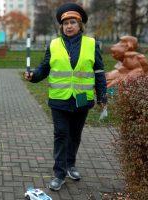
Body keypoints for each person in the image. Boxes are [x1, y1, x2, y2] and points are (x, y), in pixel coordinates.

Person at [24, 3, 107, 191]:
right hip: (59, 99)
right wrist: (33, 76)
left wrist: (102, 95)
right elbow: (45, 68)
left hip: (82, 99)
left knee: (75, 136)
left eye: (72, 22)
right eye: (65, 23)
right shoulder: (53, 44)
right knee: (61, 134)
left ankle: (71, 165)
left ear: (80, 25)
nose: (69, 26)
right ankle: (59, 173)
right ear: (61, 26)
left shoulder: (92, 44)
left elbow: (99, 71)